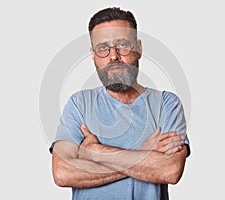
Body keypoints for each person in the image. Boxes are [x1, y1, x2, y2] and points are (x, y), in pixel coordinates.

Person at [50, 7, 190, 200]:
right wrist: (143, 154)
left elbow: (170, 170)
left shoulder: (166, 104)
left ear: (139, 48)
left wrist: (95, 153)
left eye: (122, 45)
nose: (113, 55)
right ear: (93, 54)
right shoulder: (79, 104)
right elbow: (63, 173)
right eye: (102, 48)